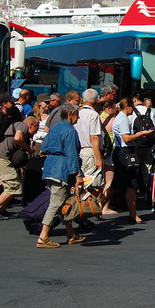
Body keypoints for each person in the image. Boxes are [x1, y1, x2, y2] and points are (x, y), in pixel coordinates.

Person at [36, 103, 87, 248]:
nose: (78, 118)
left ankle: (71, 233)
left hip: (50, 167)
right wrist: (77, 174)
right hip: (61, 169)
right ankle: (43, 236)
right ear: (70, 114)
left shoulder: (55, 127)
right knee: (57, 203)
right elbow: (71, 154)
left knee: (63, 202)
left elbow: (44, 147)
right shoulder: (70, 130)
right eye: (77, 115)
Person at [111, 98, 155, 225]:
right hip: (125, 151)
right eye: (132, 107)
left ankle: (100, 206)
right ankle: (132, 214)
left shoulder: (119, 118)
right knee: (132, 182)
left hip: (121, 151)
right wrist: (141, 134)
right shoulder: (123, 119)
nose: (133, 110)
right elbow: (126, 138)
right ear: (127, 107)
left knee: (117, 183)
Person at [0, 117, 39, 220]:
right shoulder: (22, 125)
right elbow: (17, 138)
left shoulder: (19, 128)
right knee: (14, 185)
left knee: (15, 184)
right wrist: (28, 149)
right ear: (31, 125)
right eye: (36, 128)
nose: (36, 132)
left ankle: (1, 210)